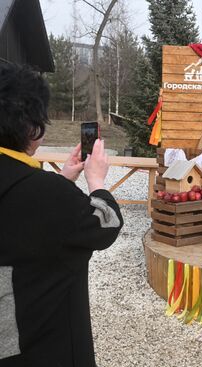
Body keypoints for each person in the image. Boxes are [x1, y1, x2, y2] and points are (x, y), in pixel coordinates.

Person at [0, 63, 123, 366]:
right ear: (32, 127)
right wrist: (96, 182)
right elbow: (105, 224)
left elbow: (22, 215)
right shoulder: (47, 194)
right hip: (44, 348)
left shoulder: (39, 190)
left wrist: (64, 179)